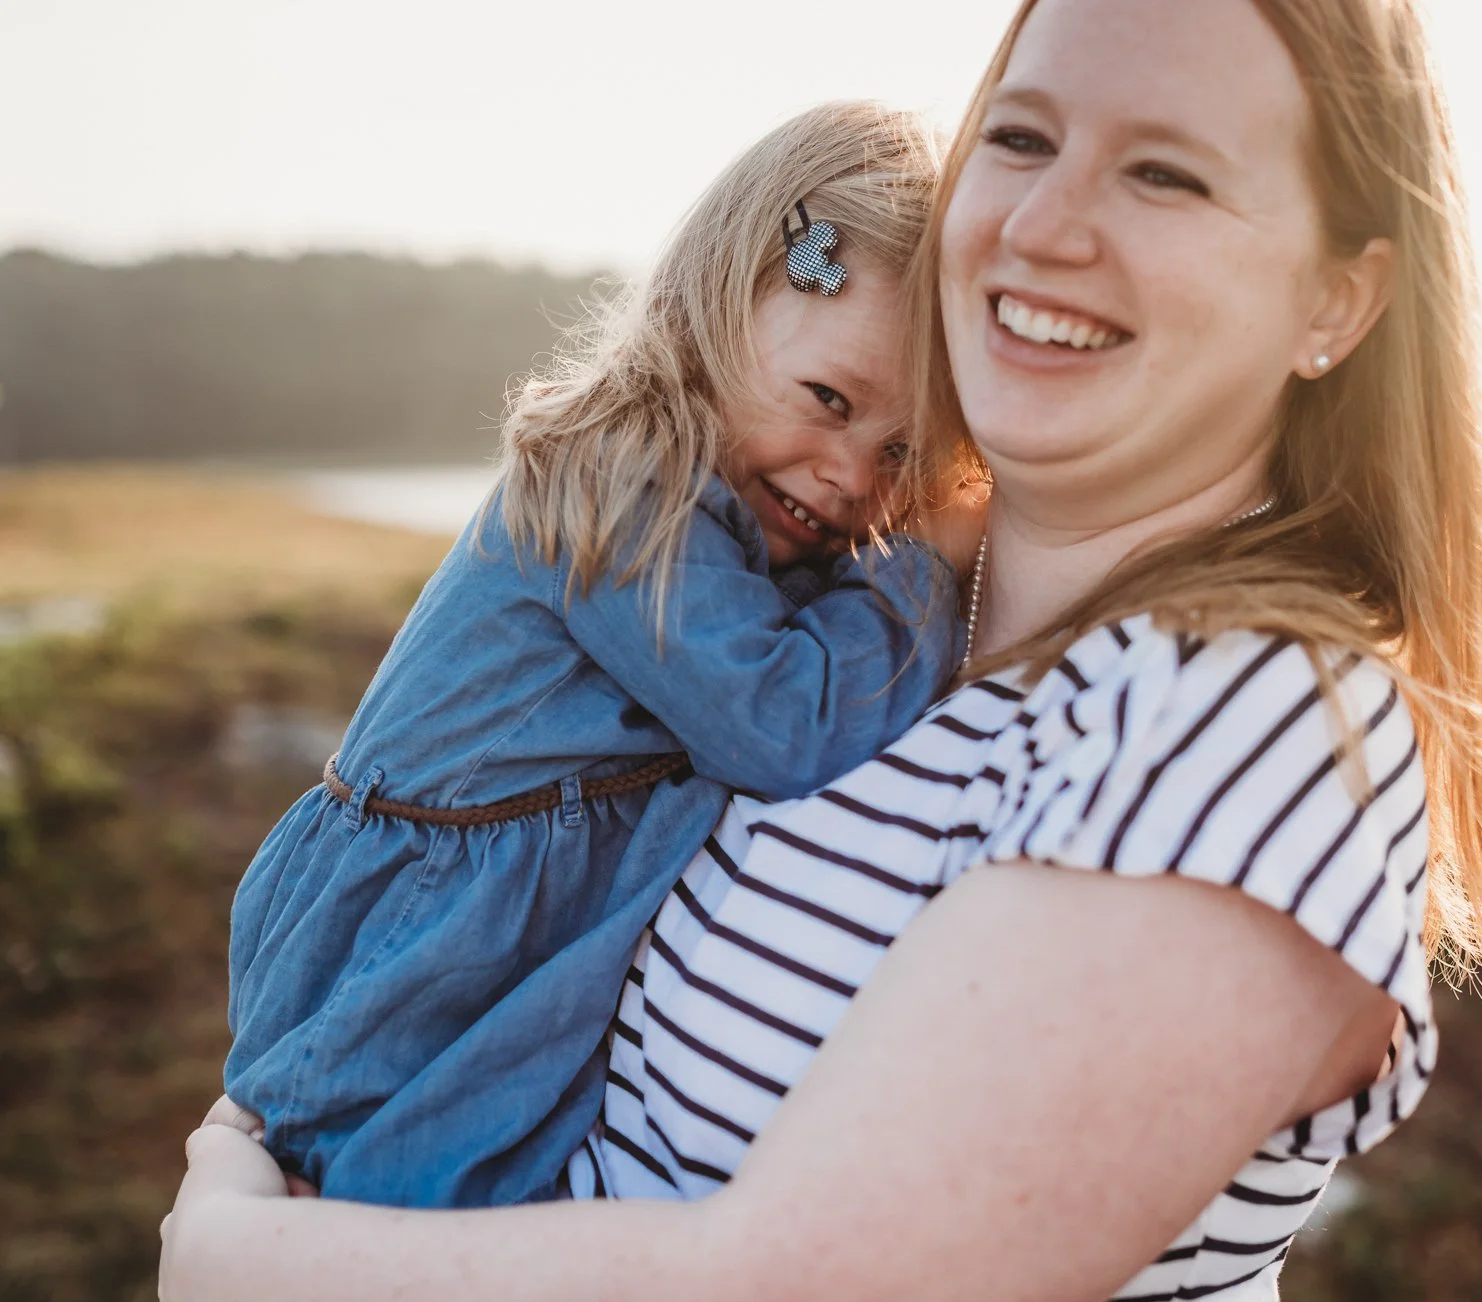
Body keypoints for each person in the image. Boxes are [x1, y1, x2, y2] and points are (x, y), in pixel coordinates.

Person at [161, 0, 1482, 1302]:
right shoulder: (875, 608)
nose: (1047, 222)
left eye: (1165, 174)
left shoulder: (1247, 714)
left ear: (1339, 300)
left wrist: (232, 1262)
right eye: (1024, 135)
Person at [221, 101, 975, 1209]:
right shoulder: (622, 480)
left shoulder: (735, 505)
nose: (851, 476)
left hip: (487, 952)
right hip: (421, 962)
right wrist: (926, 556)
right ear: (722, 300)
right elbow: (784, 720)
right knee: (382, 1230)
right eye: (828, 400)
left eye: (902, 450)